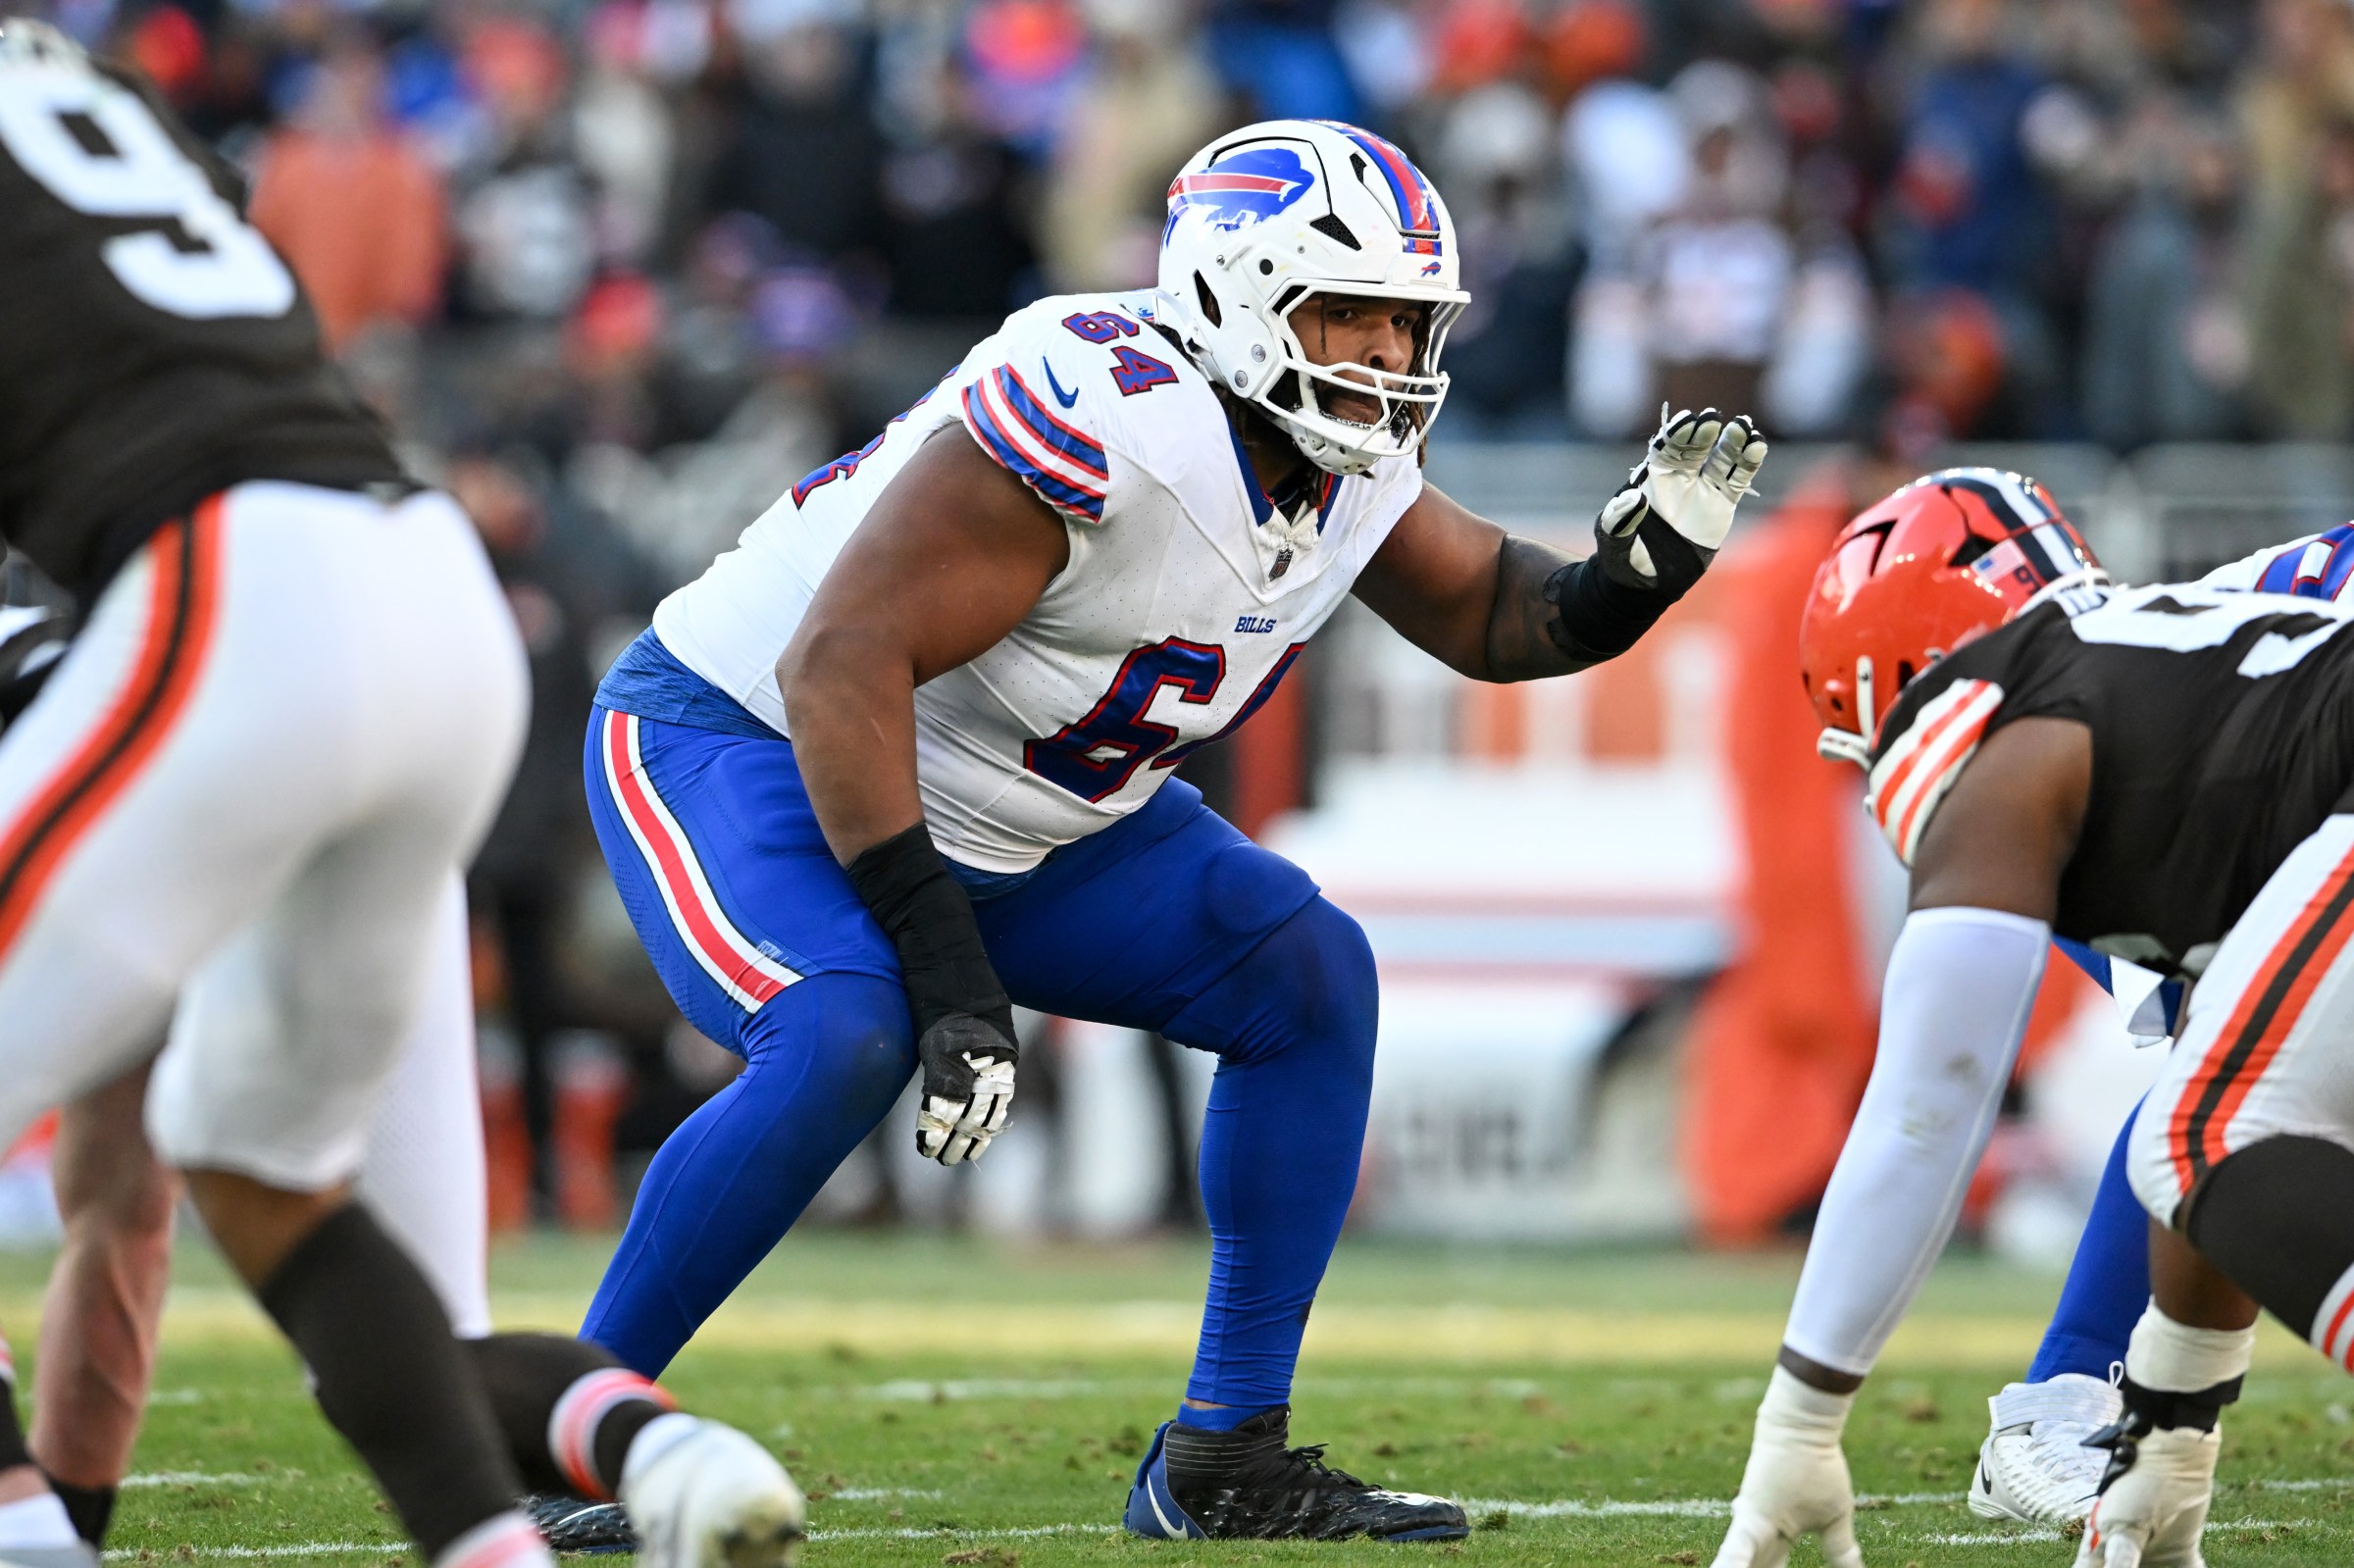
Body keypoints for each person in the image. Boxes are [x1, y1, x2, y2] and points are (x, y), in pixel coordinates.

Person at [576, 117, 1766, 1543]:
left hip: (1028, 805)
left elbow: (1494, 614)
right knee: (847, 1029)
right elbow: (839, 663)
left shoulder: (1339, 450)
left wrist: (1630, 580)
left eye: (1405, 322)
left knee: (1306, 973)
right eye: (1350, 314)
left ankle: (1222, 1454)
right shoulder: (1106, 412)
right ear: (1236, 291)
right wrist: (947, 972)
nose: (1387, 358)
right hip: (755, 740)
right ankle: (568, 1432)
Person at [0, 24, 800, 1568]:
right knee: (276, 1191)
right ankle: (618, 1475)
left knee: (197, 1185)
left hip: (238, 602)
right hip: (414, 575)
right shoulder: (66, 83)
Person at [1707, 471, 2354, 1568]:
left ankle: (2071, 1395)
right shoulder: (2169, 667)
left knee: (2204, 1136)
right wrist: (2171, 1428)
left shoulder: (2018, 730)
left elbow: (1928, 1105)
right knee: (2219, 1115)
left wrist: (1802, 1422)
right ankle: (2120, 1409)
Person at [1966, 521, 2354, 1529]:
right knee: (2230, 1100)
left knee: (2240, 1095)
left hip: (2258, 827)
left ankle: (2142, 1418)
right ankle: (2070, 1397)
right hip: (2140, 820)